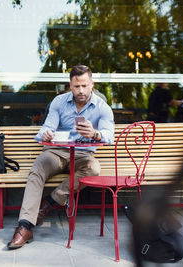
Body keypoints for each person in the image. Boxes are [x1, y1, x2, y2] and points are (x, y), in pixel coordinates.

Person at [7, 65, 115, 249]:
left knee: (94, 169)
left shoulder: (102, 107)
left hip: (83, 154)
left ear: (92, 85)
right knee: (37, 169)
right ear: (70, 85)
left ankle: (49, 202)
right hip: (56, 151)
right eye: (76, 86)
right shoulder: (59, 102)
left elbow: (109, 136)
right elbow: (45, 128)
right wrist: (46, 134)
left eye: (84, 86)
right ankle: (24, 227)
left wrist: (95, 134)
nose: (80, 90)